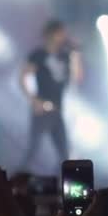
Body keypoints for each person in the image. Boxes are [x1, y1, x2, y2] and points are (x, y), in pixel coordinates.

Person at [19, 20, 83, 169]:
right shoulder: (38, 55)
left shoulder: (66, 56)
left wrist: (76, 54)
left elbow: (76, 78)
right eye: (59, 33)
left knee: (64, 153)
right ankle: (18, 180)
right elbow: (22, 77)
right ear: (50, 34)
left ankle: (59, 186)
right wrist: (33, 100)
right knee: (33, 149)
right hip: (42, 108)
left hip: (57, 109)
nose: (62, 37)